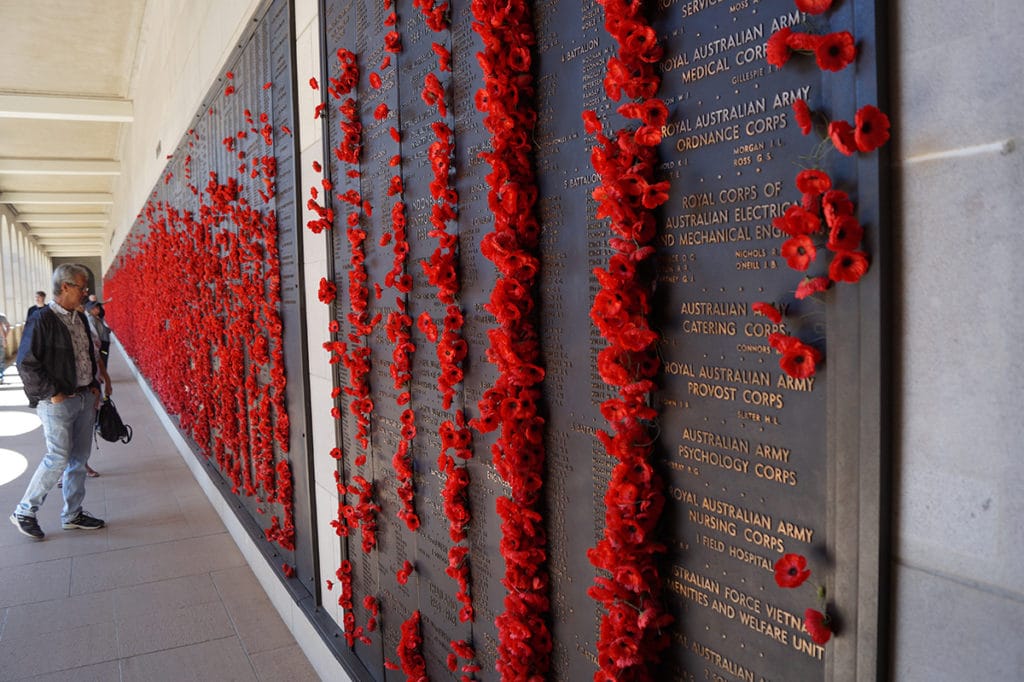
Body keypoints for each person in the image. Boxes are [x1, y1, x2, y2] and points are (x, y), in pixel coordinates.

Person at [10, 264, 106, 540]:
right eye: (82, 287)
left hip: (85, 397)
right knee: (58, 458)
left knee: (79, 459)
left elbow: (86, 355)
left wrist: (94, 386)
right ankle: (24, 511)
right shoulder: (42, 320)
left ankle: (73, 514)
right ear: (65, 287)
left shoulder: (79, 317)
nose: (86, 292)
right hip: (58, 401)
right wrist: (52, 392)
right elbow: (26, 363)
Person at [85, 301, 112, 370]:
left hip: (104, 343)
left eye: (98, 307)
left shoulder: (96, 318)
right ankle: (101, 377)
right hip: (101, 344)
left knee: (104, 358)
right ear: (89, 310)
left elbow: (101, 328)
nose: (97, 309)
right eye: (94, 308)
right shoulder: (91, 319)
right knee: (102, 360)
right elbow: (94, 333)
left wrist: (106, 330)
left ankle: (102, 375)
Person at [0, 311, 10, 383]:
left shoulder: (1, 316)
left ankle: (0, 376)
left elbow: (7, 326)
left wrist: (5, 337)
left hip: (1, 340)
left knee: (1, 360)